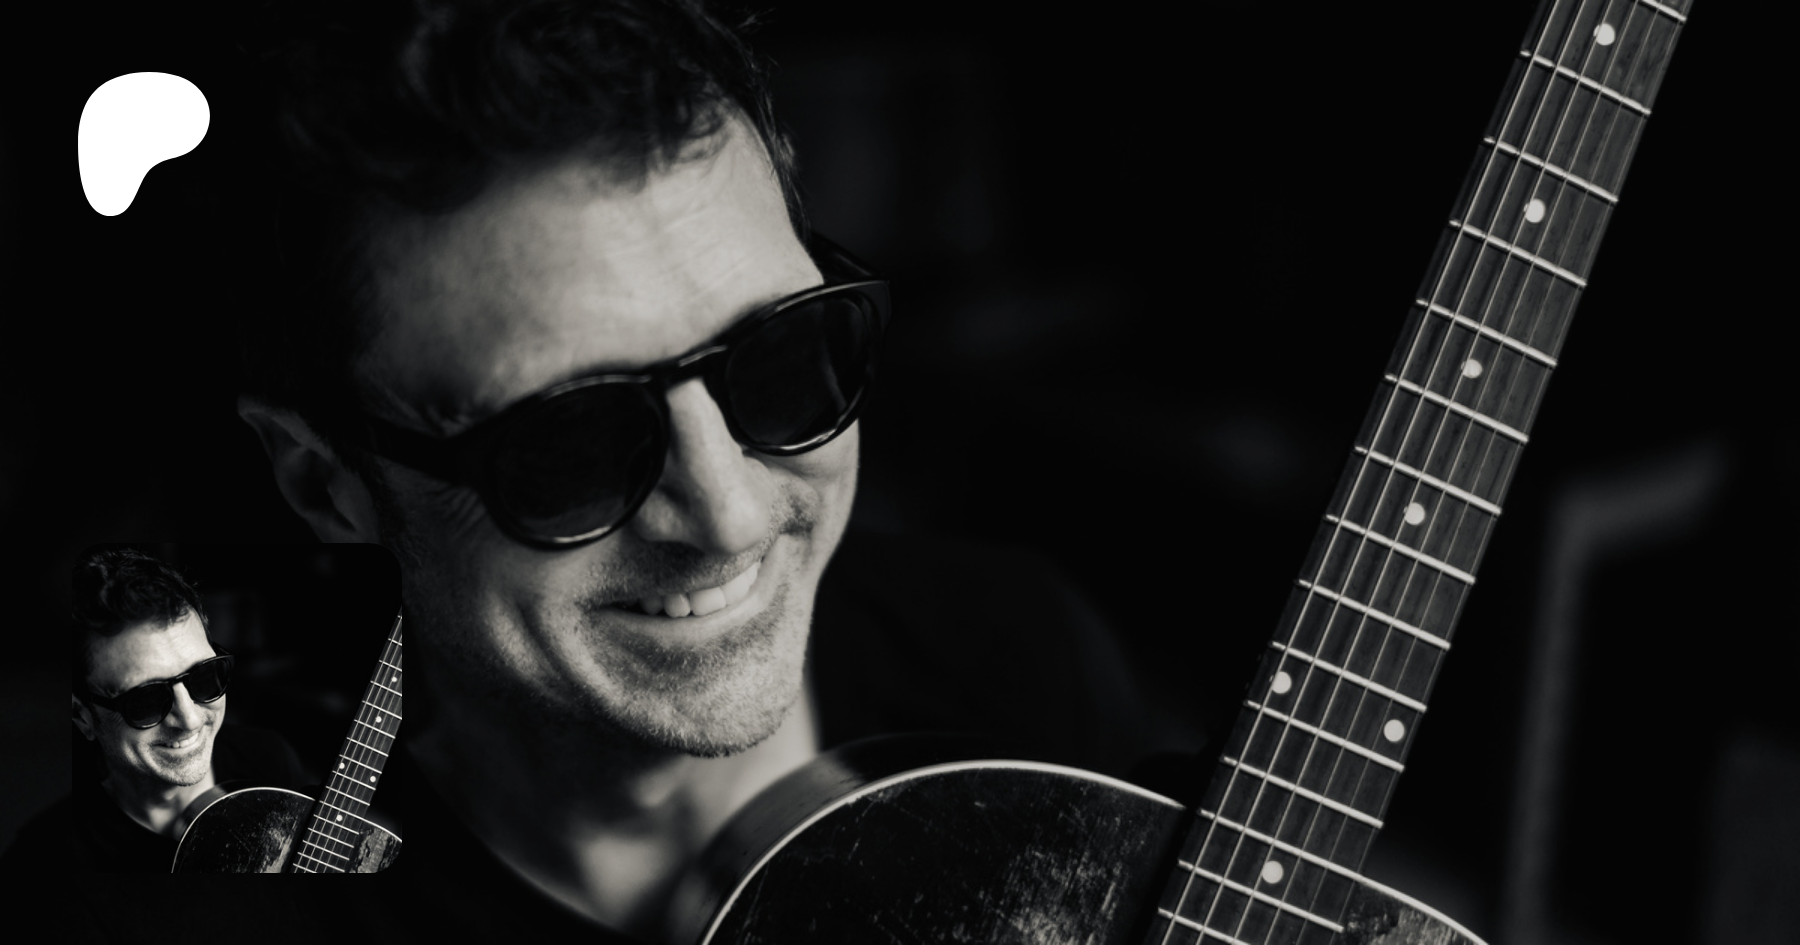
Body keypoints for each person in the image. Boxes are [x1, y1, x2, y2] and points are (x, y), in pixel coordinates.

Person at [233, 1, 1191, 940]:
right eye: (569, 440)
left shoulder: (1015, 652)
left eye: (778, 358)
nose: (728, 515)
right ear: (327, 484)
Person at [1, 547, 307, 872]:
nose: (189, 719)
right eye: (145, 700)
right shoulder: (42, 859)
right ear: (82, 716)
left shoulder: (268, 759)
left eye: (204, 677)